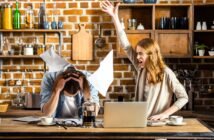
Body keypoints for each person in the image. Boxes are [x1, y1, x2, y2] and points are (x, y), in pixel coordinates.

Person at [100, 0, 188, 121]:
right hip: (140, 123)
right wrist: (114, 16)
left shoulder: (166, 73)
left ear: (151, 55)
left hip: (158, 126)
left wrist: (165, 114)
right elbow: (125, 44)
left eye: (141, 54)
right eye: (137, 54)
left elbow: (183, 97)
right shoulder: (141, 68)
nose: (137, 57)